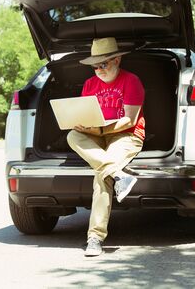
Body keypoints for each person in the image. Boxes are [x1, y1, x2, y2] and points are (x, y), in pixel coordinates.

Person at [67, 37, 146, 257]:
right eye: (95, 66)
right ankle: (120, 174)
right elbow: (85, 114)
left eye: (104, 64)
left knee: (102, 176)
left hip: (126, 136)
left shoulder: (132, 81)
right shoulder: (90, 85)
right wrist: (81, 124)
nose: (99, 70)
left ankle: (95, 237)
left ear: (117, 60)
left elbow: (129, 120)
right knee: (72, 136)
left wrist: (99, 131)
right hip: (95, 134)